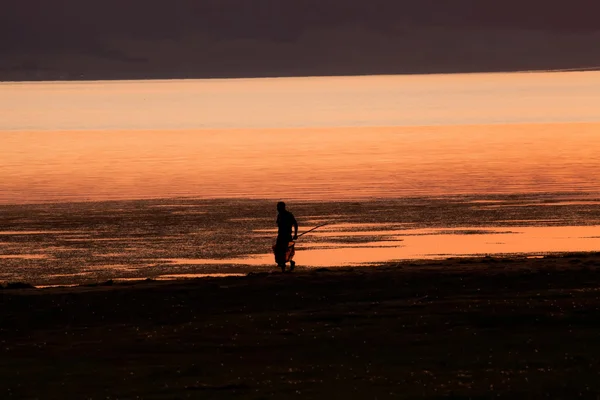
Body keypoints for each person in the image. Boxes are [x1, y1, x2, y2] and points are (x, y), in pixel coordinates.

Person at [274, 201, 298, 272]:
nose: (277, 209)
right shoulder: (279, 215)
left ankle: (286, 266)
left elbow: (295, 224)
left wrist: (295, 234)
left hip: (287, 236)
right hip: (280, 236)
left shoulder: (288, 215)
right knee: (279, 251)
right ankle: (283, 266)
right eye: (277, 207)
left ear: (283, 207)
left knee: (285, 251)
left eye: (279, 207)